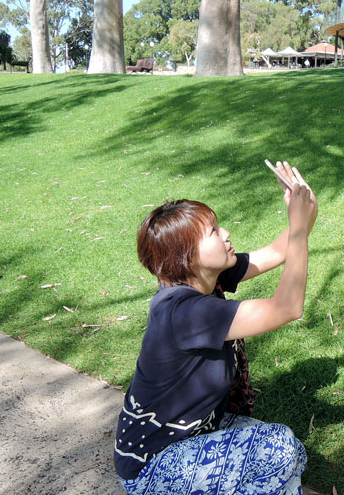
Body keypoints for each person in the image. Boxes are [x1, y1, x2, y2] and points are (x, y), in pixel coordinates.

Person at [114, 162, 318, 495]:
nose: (226, 234)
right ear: (186, 258)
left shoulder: (206, 279)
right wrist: (297, 225)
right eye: (212, 232)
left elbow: (278, 252)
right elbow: (287, 307)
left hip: (195, 436)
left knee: (292, 455)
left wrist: (305, 207)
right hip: (153, 466)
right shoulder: (182, 311)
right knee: (279, 449)